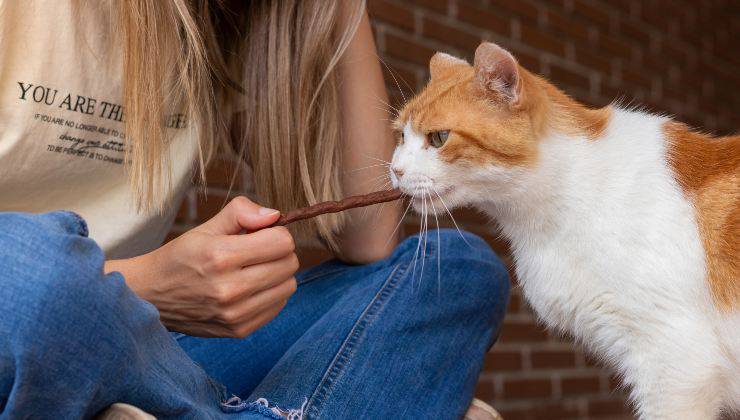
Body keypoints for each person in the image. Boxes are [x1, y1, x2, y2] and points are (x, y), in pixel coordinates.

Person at [0, 1, 510, 418]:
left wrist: (342, 10)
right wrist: (150, 282)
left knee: (457, 270)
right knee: (45, 287)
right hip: (37, 324)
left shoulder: (223, 25)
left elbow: (369, 238)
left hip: (147, 346)